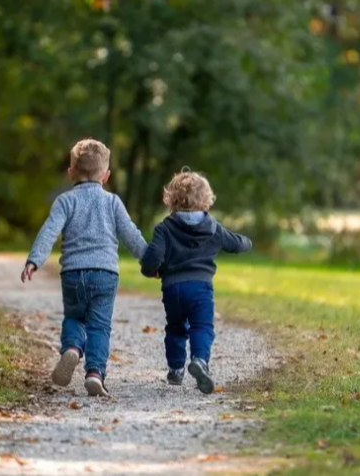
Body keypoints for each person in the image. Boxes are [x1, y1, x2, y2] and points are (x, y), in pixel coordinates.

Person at [21, 138, 147, 396]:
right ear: (106, 176)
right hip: (105, 274)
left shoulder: (65, 201)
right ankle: (95, 373)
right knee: (99, 325)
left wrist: (34, 260)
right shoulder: (112, 202)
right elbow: (130, 234)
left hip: (73, 273)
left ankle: (72, 348)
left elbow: (48, 232)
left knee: (74, 317)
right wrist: (150, 260)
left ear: (71, 173)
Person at [139, 170, 252, 394]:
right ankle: (199, 360)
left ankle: (176, 369)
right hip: (201, 289)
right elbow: (235, 244)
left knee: (175, 327)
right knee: (202, 326)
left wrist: (150, 271)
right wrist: (247, 242)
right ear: (206, 199)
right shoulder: (213, 228)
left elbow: (152, 257)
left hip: (173, 289)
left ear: (172, 199)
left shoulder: (164, 228)